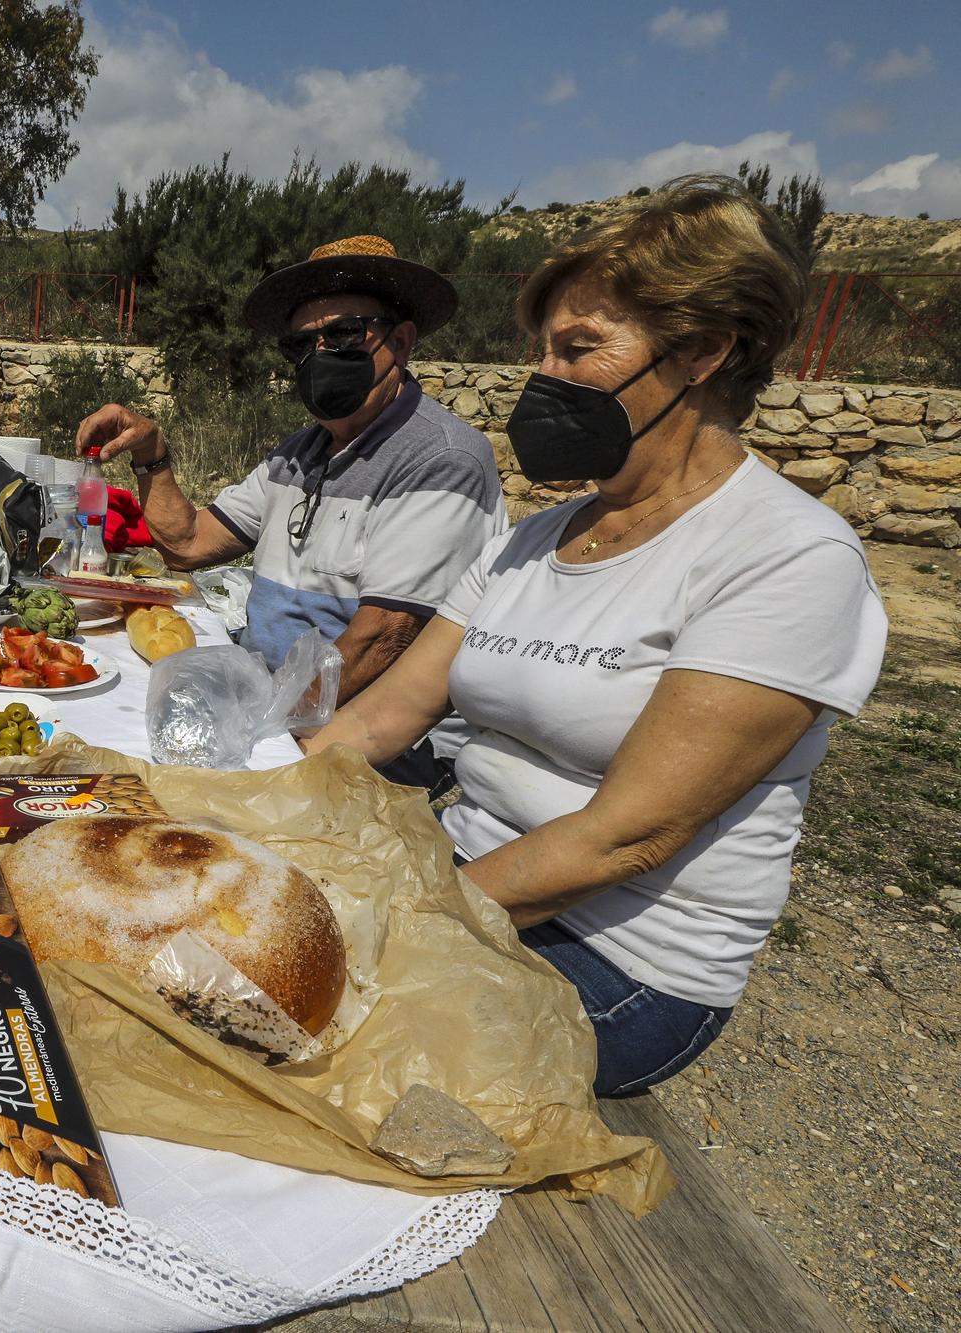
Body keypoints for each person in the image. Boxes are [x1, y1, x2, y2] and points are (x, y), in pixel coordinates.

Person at [297, 177, 888, 1095]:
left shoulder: (791, 556)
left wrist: (397, 918)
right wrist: (254, 806)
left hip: (622, 955)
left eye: (580, 349)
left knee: (303, 1035)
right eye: (545, 351)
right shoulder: (537, 539)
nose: (546, 380)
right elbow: (385, 717)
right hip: (461, 870)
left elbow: (627, 837)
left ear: (701, 351)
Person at [79, 235, 505, 791]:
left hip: (355, 748)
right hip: (276, 710)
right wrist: (151, 457)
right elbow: (189, 544)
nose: (320, 354)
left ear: (400, 342)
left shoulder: (441, 460)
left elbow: (386, 639)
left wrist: (258, 733)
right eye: (302, 344)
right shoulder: (301, 452)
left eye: (344, 333)